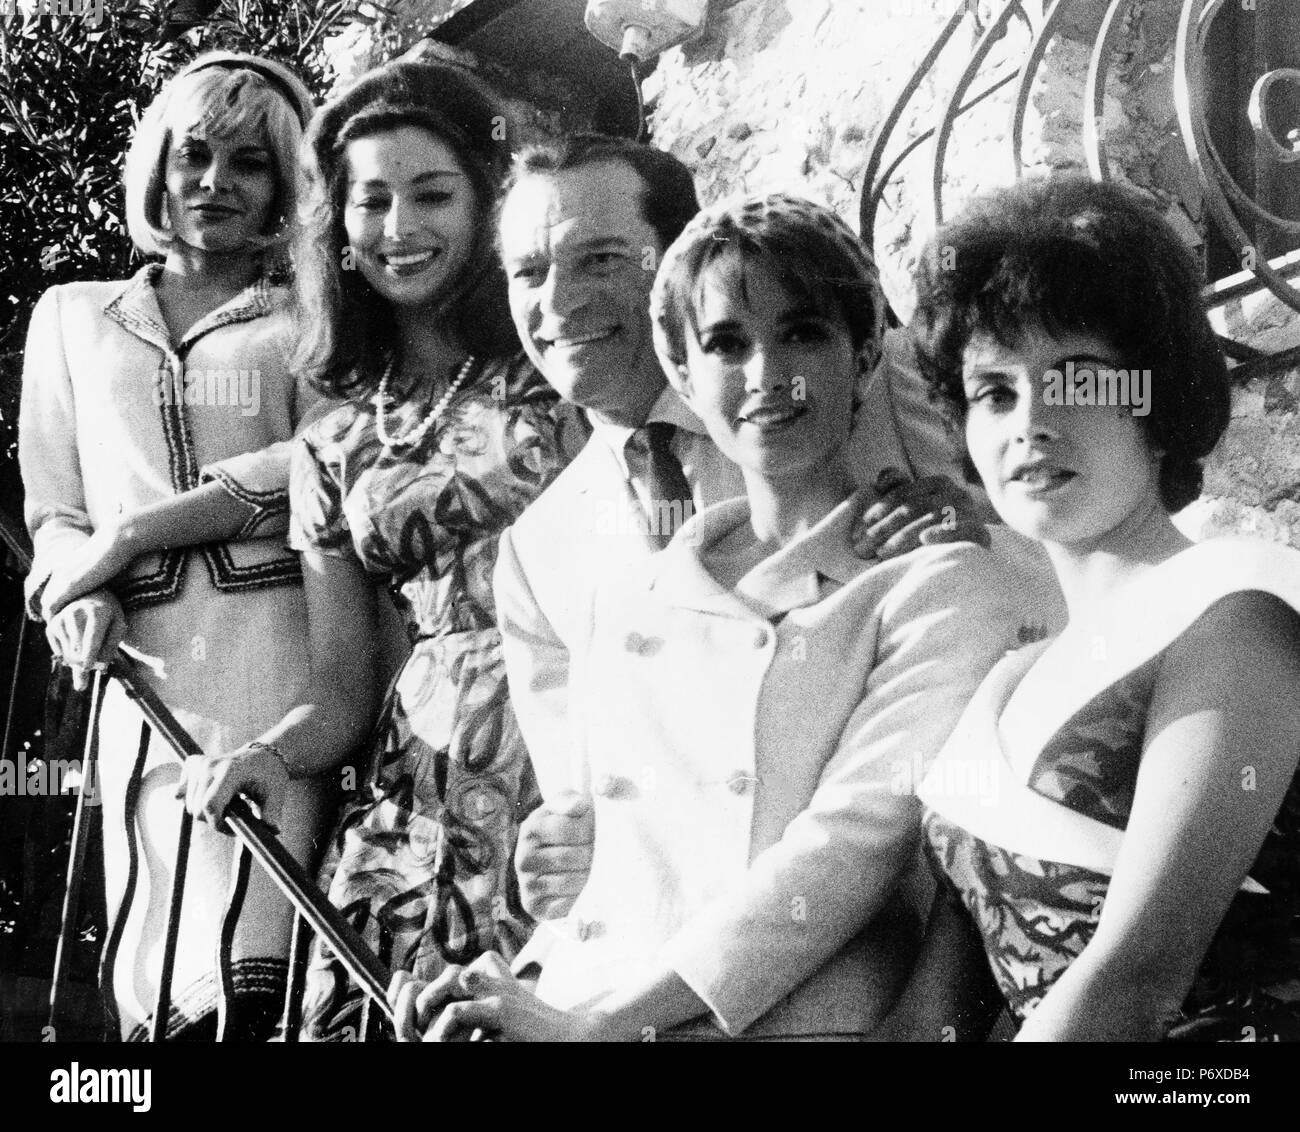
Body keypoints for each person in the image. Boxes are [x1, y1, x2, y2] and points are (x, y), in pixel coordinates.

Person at [388, 193, 1025, 1041]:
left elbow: (851, 848)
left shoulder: (937, 584)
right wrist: (506, 985)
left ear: (866, 353)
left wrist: (600, 1027)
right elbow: (606, 864)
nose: (766, 376)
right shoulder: (622, 599)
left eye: (802, 333)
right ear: (683, 374)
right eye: (727, 344)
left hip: (788, 1014)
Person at [493, 135, 1062, 922]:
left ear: (676, 264)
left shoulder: (877, 375)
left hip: (921, 914)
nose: (556, 303)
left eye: (598, 260)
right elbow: (591, 809)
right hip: (692, 962)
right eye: (528, 272)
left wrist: (985, 526)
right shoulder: (536, 553)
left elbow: (1065, 571)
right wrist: (561, 852)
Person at [177, 60, 585, 1041]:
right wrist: (263, 755)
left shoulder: (561, 371)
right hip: (415, 795)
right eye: (372, 201)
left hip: (568, 755)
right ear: (340, 230)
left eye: (433, 194)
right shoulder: (333, 441)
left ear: (490, 205)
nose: (399, 228)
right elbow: (345, 687)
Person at [884, 175, 1300, 1042]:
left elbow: (1136, 978)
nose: (1031, 421)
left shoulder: (1236, 612)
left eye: (1079, 380)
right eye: (994, 391)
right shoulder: (1011, 679)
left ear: (1158, 400)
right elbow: (934, 1021)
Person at [19, 52, 321, 1039]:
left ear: (285, 183)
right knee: (163, 975)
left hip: (281, 660)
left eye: (250, 163)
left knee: (268, 970)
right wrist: (79, 590)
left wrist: (132, 533)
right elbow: (53, 515)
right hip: (138, 679)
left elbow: (323, 462)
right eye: (195, 155)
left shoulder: (314, 315)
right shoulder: (70, 317)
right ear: (158, 164)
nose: (216, 184)